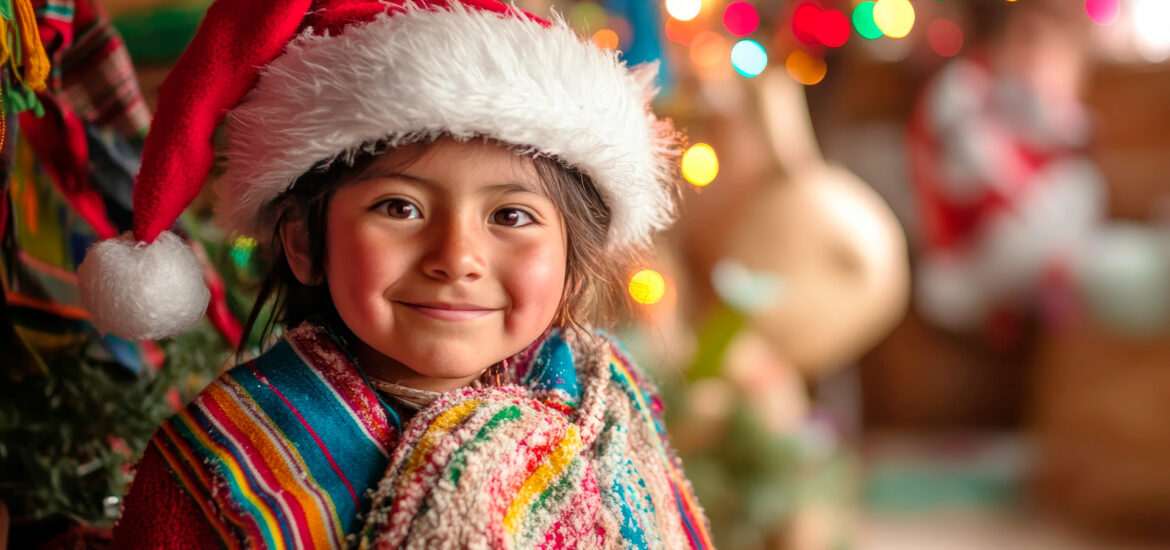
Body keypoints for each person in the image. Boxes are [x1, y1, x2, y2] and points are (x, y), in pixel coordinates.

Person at [76, 0, 714, 548]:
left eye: (512, 215)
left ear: (574, 266)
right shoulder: (221, 467)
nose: (456, 257)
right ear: (304, 242)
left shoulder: (606, 409)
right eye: (399, 208)